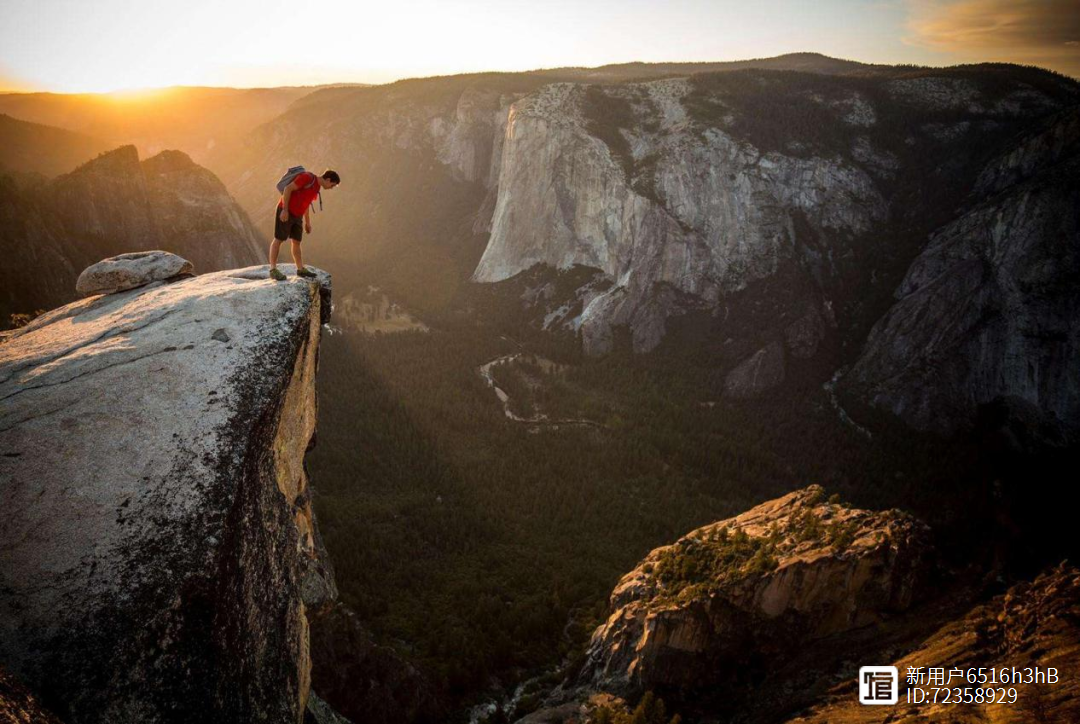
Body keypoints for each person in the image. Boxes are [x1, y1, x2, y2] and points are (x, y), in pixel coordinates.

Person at [269, 169, 340, 281]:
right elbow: (288, 189)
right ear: (328, 179)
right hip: (286, 210)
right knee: (279, 238)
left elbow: (306, 203)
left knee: (296, 241)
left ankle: (300, 269)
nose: (331, 188)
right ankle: (273, 269)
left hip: (298, 215)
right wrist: (285, 210)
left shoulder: (316, 187)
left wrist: (307, 222)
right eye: (332, 185)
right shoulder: (307, 178)